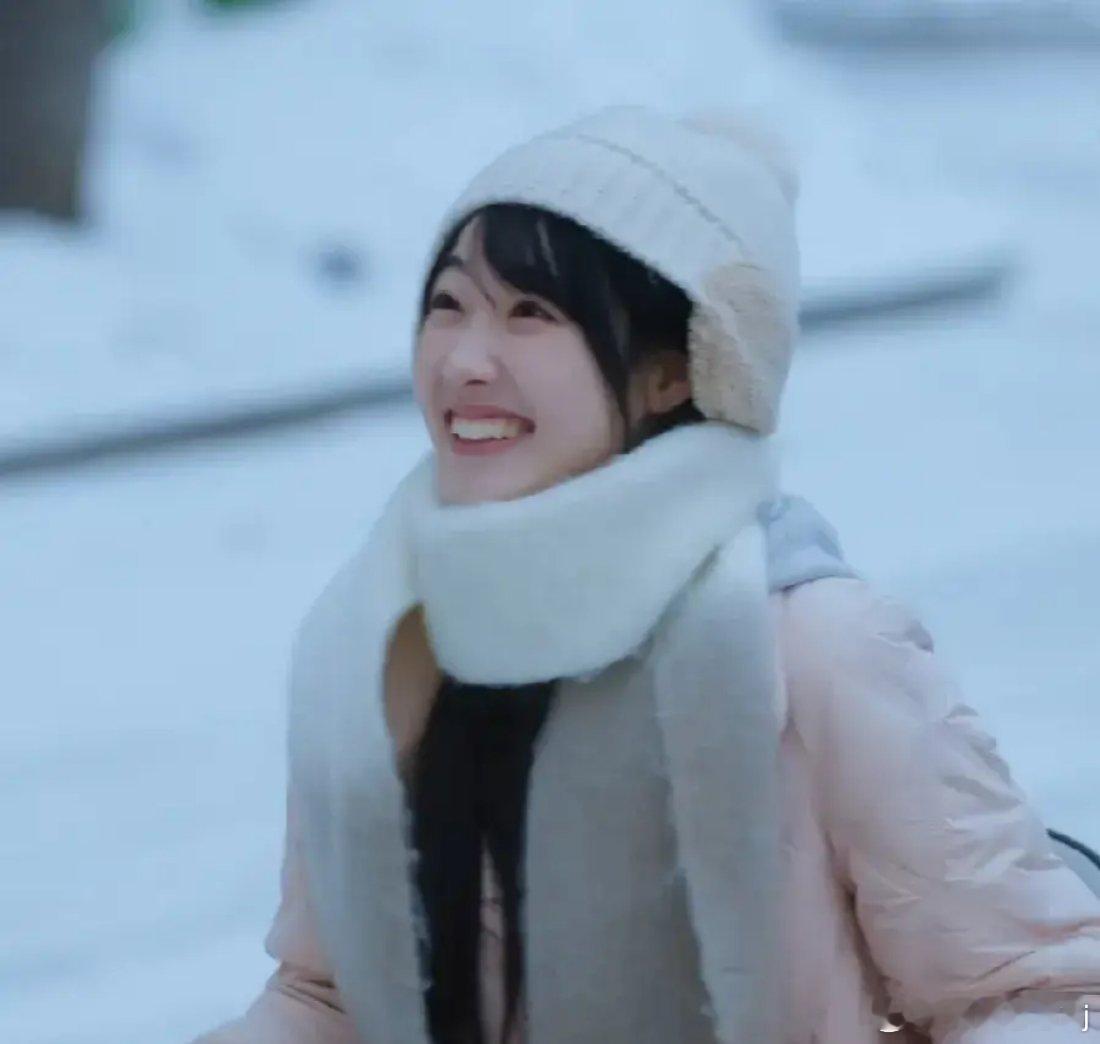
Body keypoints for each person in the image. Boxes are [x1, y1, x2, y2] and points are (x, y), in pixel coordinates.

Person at [190, 105, 1100, 1044]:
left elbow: (1053, 994)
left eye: (531, 314)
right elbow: (330, 1000)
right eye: (448, 304)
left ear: (675, 371)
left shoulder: (815, 649)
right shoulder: (385, 646)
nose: (463, 359)